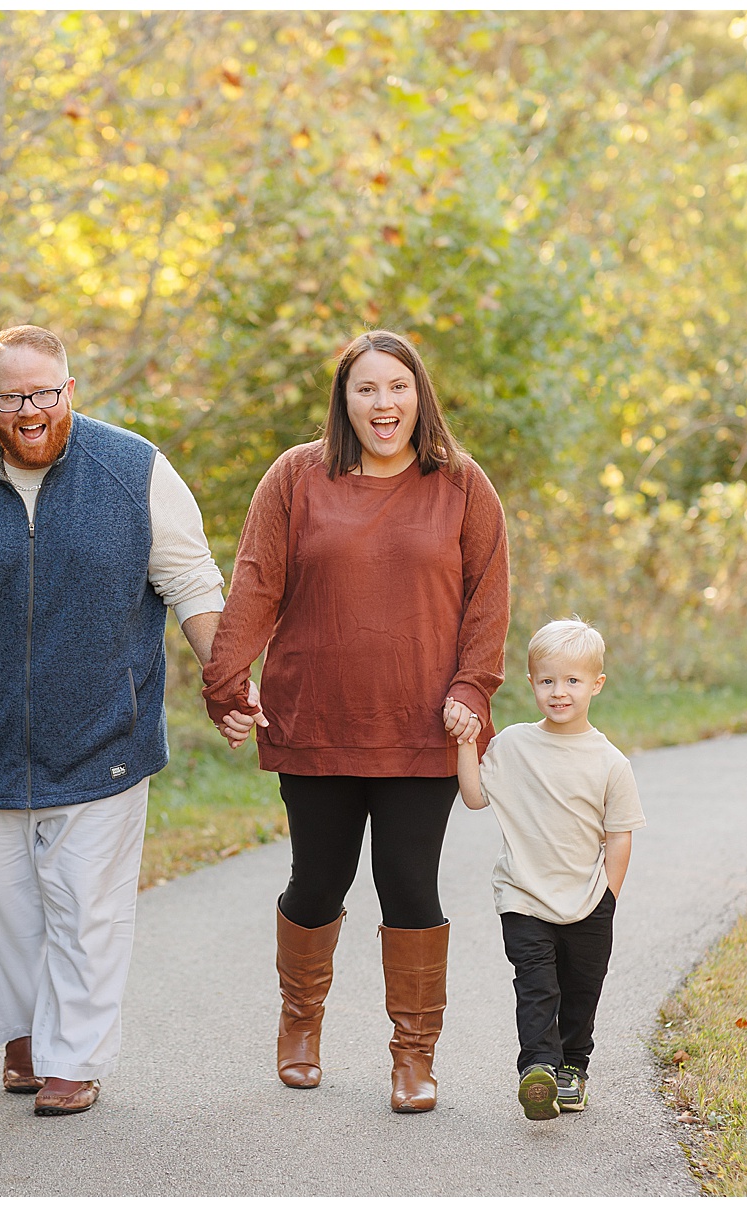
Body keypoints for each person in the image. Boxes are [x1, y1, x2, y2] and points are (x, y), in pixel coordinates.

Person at [0, 324, 226, 1117]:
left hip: (105, 735)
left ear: (70, 390)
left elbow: (192, 581)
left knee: (88, 906)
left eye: (44, 392)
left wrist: (224, 679)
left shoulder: (135, 471)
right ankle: (24, 1036)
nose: (30, 409)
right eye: (12, 396)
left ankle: (75, 1060)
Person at [202, 329, 510, 1114]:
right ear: (345, 398)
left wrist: (473, 690)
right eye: (367, 389)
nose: (384, 404)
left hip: (424, 725)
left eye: (398, 388)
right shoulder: (298, 477)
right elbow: (257, 581)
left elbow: (488, 596)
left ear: (420, 396)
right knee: (319, 879)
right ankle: (300, 1021)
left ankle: (414, 1056)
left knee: (409, 883)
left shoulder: (461, 484)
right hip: (318, 716)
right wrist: (227, 682)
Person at [454, 617, 645, 1120]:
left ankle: (573, 1069)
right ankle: (537, 1069)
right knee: (537, 987)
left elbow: (618, 835)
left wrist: (609, 896)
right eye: (547, 681)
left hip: (589, 901)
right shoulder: (513, 745)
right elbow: (474, 798)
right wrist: (464, 743)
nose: (559, 692)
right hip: (523, 896)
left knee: (580, 993)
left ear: (595, 684)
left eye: (572, 681)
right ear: (532, 681)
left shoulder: (610, 763)